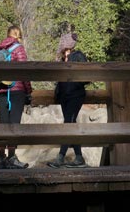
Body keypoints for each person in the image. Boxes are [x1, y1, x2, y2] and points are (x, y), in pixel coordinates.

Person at [47, 33, 89, 168]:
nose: (62, 45)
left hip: (75, 95)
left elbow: (87, 76)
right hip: (64, 96)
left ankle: (60, 157)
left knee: (68, 124)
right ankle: (79, 158)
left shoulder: (78, 56)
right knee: (71, 124)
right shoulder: (61, 60)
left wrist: (74, 84)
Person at [0, 25, 32, 169]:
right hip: (16, 91)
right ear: (18, 35)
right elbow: (24, 72)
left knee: (3, 125)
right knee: (14, 125)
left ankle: (1, 158)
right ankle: (11, 158)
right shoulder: (18, 48)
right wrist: (28, 90)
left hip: (2, 91)